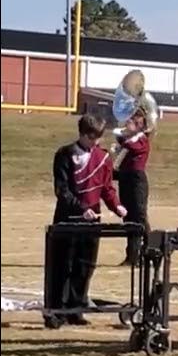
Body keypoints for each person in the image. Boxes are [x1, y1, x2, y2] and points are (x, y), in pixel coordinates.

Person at [48, 114, 128, 327]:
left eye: (99, 138)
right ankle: (56, 312)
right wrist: (81, 208)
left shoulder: (102, 157)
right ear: (82, 134)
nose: (96, 143)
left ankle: (76, 309)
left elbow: (106, 188)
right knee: (63, 266)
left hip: (92, 222)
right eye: (92, 138)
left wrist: (117, 206)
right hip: (67, 220)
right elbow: (62, 190)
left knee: (85, 266)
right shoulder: (65, 155)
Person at [111, 109, 151, 266]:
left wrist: (122, 136)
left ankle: (149, 251)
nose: (127, 124)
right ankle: (132, 256)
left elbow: (132, 146)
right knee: (128, 218)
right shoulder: (129, 140)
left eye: (132, 122)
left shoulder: (141, 140)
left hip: (137, 181)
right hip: (126, 179)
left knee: (139, 218)